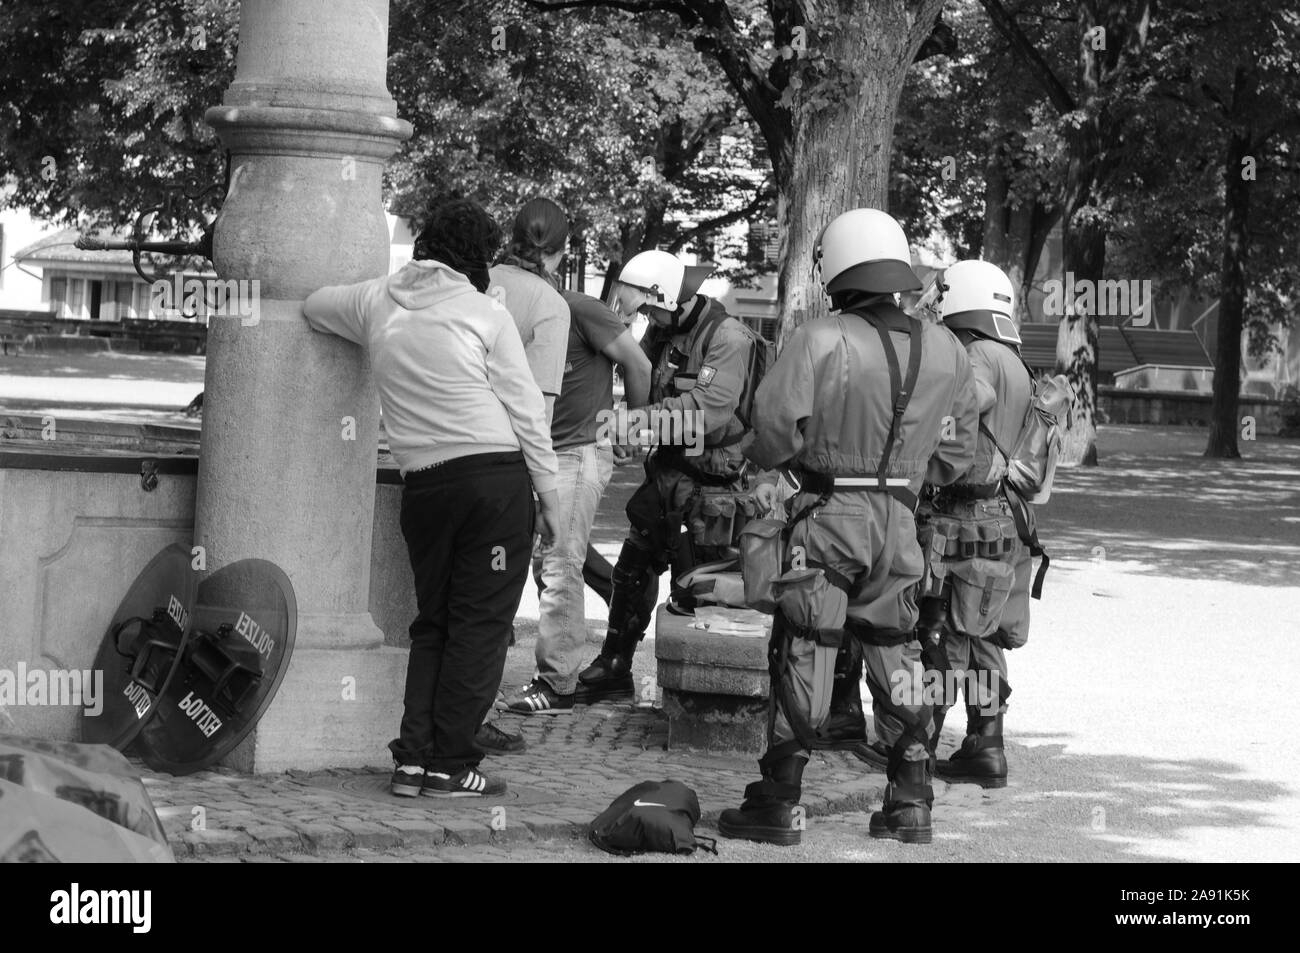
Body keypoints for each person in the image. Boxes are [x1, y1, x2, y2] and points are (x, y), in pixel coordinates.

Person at [716, 208, 978, 847]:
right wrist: (912, 468)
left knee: (806, 641)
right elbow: (958, 452)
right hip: (901, 521)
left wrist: (768, 463)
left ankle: (779, 799)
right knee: (897, 647)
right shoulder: (945, 347)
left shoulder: (820, 337)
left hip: (829, 517)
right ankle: (911, 798)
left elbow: (775, 430)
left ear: (835, 268)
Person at [302, 198, 560, 799]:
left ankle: (413, 761)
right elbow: (526, 410)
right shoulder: (483, 313)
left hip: (424, 488)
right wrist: (548, 494)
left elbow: (314, 306)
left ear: (422, 249)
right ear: (476, 261)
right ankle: (452, 763)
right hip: (493, 485)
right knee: (481, 627)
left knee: (433, 626)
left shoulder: (376, 301)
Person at [574, 250, 756, 703]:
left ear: (671, 298)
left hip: (715, 488)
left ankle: (697, 691)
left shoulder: (729, 338)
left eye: (652, 310)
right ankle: (615, 664)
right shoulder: (662, 329)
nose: (647, 320)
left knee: (699, 588)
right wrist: (631, 427)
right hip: (669, 475)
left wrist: (638, 424)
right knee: (632, 569)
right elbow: (648, 388)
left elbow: (707, 413)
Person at [503, 275, 653, 714]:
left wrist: (633, 427)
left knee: (558, 562)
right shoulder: (511, 310)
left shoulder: (580, 308)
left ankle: (557, 684)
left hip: (577, 453)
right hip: (540, 454)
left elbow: (639, 366)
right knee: (547, 561)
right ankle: (560, 669)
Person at [918, 259, 1035, 789]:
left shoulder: (978, 355)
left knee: (943, 631)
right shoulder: (1015, 358)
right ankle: (986, 746)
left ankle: (918, 745)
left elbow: (975, 398)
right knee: (985, 633)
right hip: (999, 514)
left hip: (960, 513)